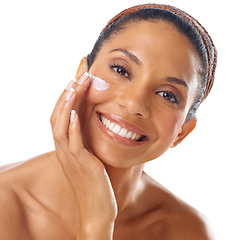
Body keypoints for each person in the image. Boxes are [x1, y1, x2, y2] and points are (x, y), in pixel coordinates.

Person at [0, 3, 217, 240]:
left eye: (168, 95)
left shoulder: (189, 232)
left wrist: (98, 222)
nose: (134, 104)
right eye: (121, 70)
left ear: (182, 132)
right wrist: (96, 219)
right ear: (82, 73)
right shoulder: (5, 201)